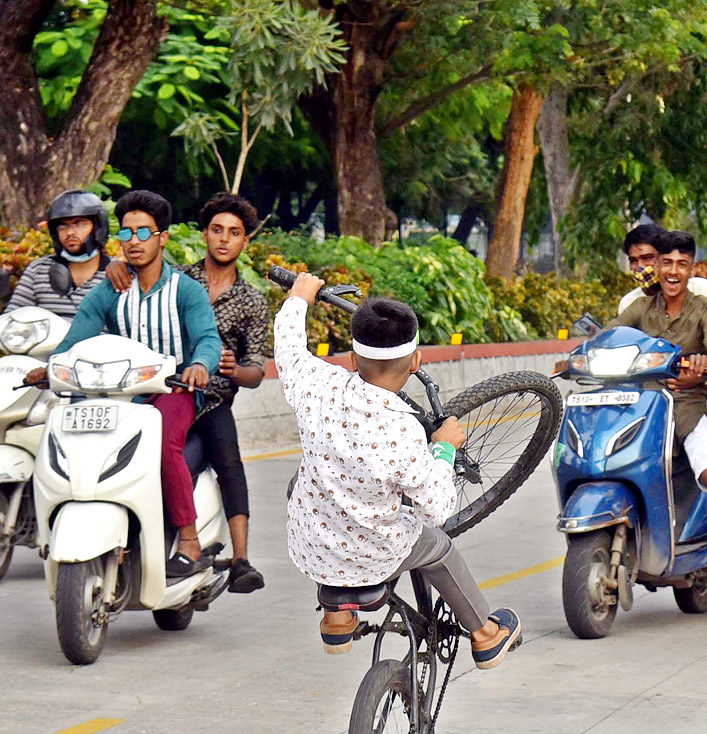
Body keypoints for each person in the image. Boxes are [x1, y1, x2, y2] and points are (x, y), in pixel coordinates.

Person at [275, 273, 523, 665]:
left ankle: (336, 620)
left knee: (303, 483)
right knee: (439, 548)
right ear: (416, 361)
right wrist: (443, 448)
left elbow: (288, 348)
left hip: (313, 545)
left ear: (354, 359)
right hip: (376, 551)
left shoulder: (317, 386)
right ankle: (485, 635)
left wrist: (298, 299)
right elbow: (437, 509)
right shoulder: (403, 428)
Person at [26, 190, 222, 578]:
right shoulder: (109, 288)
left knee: (164, 444)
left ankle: (188, 538)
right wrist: (50, 366)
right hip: (117, 394)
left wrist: (199, 365)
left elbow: (207, 338)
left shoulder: (186, 290)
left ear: (162, 237)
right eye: (127, 233)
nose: (134, 242)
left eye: (144, 233)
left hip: (173, 390)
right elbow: (74, 339)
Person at [109, 192, 268, 593]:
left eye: (234, 233)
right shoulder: (178, 280)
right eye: (217, 230)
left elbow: (257, 370)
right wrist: (115, 264)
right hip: (159, 390)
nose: (223, 239)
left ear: (244, 241)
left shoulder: (251, 300)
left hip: (212, 399)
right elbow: (137, 268)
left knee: (227, 461)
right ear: (204, 235)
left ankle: (241, 559)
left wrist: (236, 370)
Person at [607, 230, 707, 546]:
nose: (642, 268)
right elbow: (614, 340)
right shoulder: (634, 303)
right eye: (634, 261)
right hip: (652, 390)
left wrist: (698, 370)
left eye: (648, 259)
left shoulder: (704, 296)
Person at [7, 190, 111, 319]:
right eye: (63, 226)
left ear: (98, 228)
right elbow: (12, 317)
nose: (70, 232)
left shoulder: (118, 273)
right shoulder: (38, 270)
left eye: (79, 224)